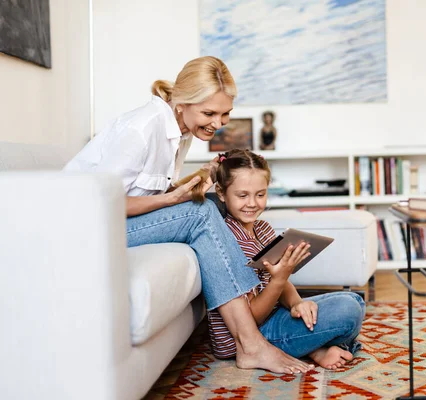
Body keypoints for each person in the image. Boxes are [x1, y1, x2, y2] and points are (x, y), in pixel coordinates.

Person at [64, 56, 313, 375]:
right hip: (91, 227)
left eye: (225, 113)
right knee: (205, 211)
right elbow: (104, 202)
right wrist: (174, 197)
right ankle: (250, 343)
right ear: (181, 102)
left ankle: (253, 318)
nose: (218, 122)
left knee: (211, 204)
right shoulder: (142, 129)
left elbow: (155, 196)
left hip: (120, 222)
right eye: (209, 113)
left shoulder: (179, 132)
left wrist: (192, 183)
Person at [210, 149, 365, 370]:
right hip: (251, 336)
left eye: (260, 194)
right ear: (222, 193)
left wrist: (297, 304)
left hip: (275, 316)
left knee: (355, 301)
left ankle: (314, 347)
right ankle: (316, 349)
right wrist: (279, 278)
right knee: (347, 311)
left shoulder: (262, 229)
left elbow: (282, 284)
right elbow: (252, 319)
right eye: (242, 195)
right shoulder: (228, 240)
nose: (252, 203)